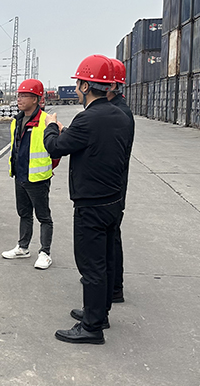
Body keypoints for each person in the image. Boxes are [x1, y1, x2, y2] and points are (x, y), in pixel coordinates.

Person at [43, 54, 132, 344]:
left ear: (84, 86)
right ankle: (99, 313)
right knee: (105, 260)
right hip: (112, 199)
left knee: (90, 265)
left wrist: (51, 126)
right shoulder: (121, 116)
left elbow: (55, 147)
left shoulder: (87, 119)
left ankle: (92, 327)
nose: (77, 89)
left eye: (79, 84)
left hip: (90, 203)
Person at [1, 79, 55, 270]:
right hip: (20, 175)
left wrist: (47, 168)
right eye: (19, 95)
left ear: (36, 99)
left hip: (38, 178)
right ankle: (23, 247)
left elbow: (56, 150)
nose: (19, 99)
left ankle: (45, 253)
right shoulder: (16, 120)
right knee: (24, 213)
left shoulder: (46, 121)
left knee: (43, 216)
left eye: (24, 96)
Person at [107, 58, 135, 304]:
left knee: (110, 238)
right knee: (110, 236)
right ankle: (112, 285)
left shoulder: (118, 113)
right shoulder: (118, 109)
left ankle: (114, 287)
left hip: (110, 188)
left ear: (112, 85)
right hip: (114, 185)